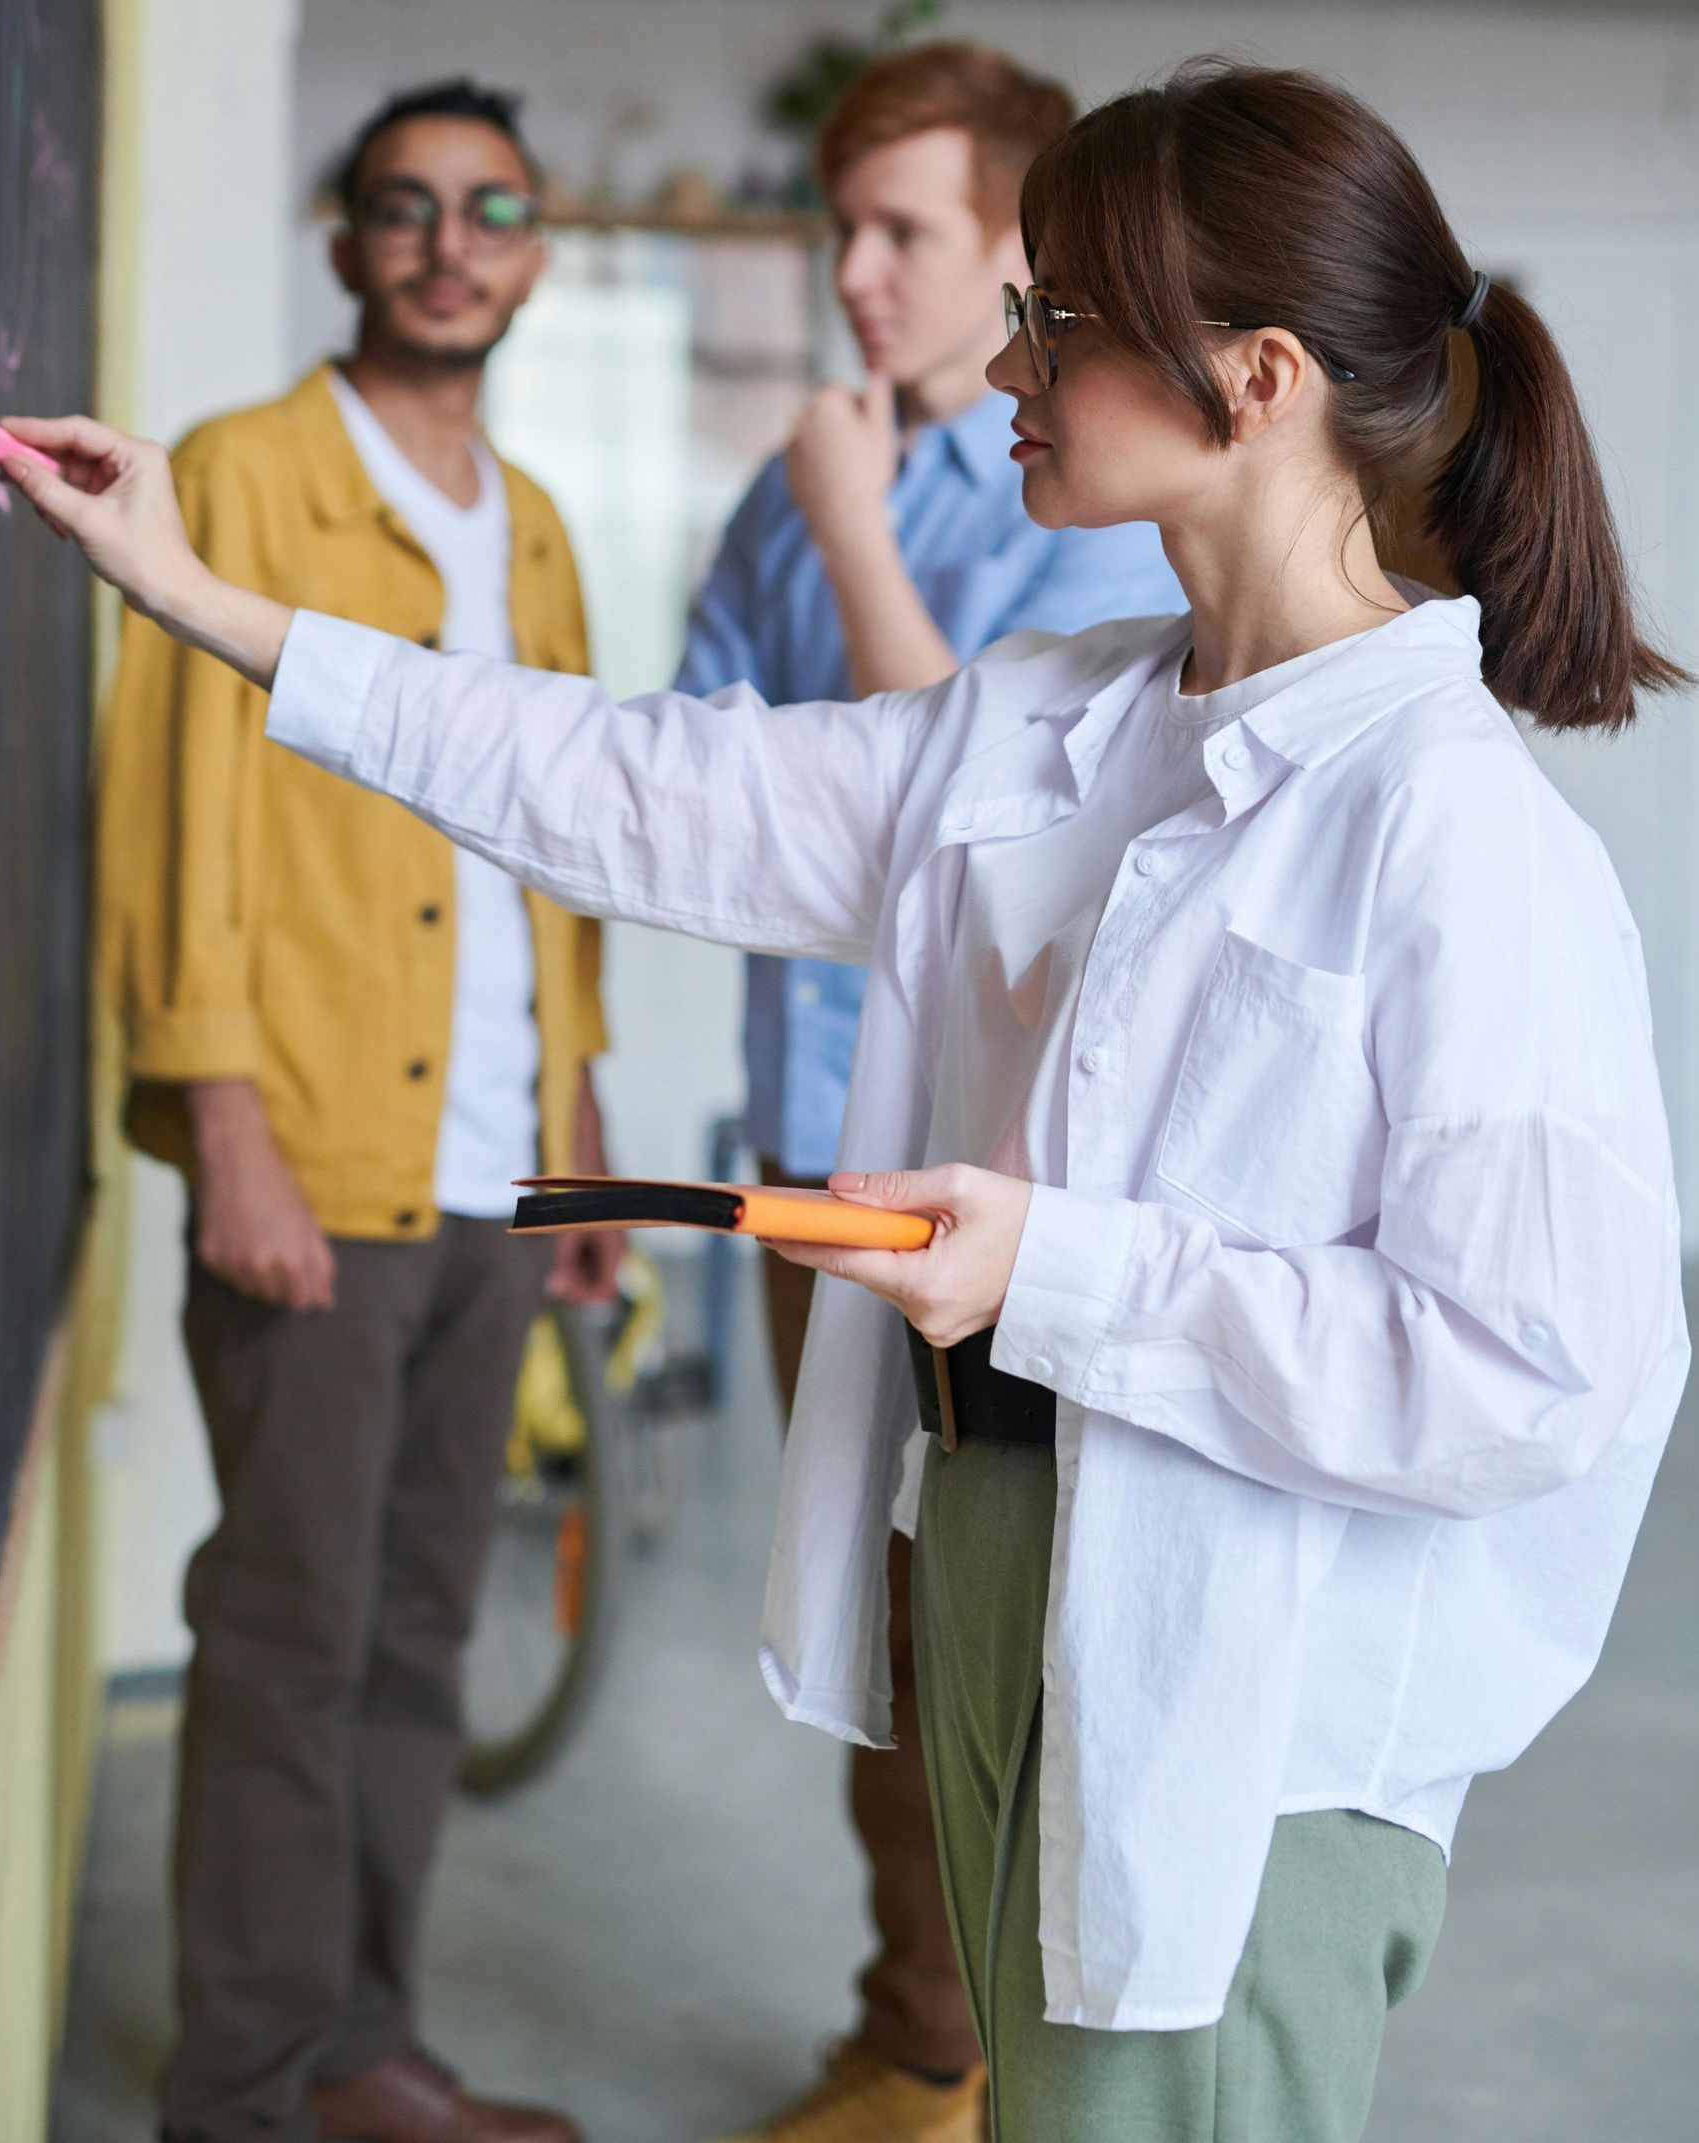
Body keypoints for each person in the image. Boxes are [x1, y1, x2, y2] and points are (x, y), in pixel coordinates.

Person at [2, 55, 1690, 2143]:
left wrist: (1052, 1268)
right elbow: (634, 780)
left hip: (1237, 1677)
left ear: (1254, 380)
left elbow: (1519, 1371)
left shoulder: (1454, 837)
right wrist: (212, 603)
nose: (1006, 355)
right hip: (998, 1548)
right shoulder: (1054, 718)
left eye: (1057, 316)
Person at [94, 77, 610, 2143]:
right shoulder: (234, 475)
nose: (448, 243)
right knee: (289, 1637)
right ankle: (234, 2089)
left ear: (535, 252)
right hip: (314, 1151)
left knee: (416, 1632)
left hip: (494, 1170)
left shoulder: (540, 521)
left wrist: (573, 1135)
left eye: (491, 208)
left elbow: (560, 845)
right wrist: (223, 1123)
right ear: (345, 242)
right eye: (406, 207)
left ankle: (354, 2056)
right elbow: (172, 823)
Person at [674, 45, 1180, 2139]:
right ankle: (920, 2039)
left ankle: (982, 2053)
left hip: (1004, 1182)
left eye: (906, 232)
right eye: (842, 227)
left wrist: (845, 521)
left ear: (1013, 253)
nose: (858, 272)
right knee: (863, 1606)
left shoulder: (1075, 499)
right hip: (810, 1134)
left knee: (1012, 1614)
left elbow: (959, 817)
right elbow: (711, 786)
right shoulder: (797, 471)